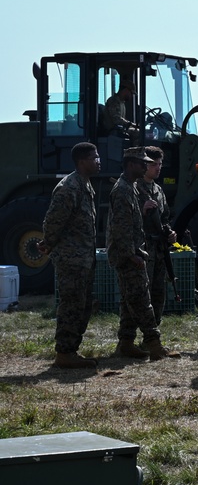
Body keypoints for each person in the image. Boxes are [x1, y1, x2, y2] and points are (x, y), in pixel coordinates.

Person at [107, 147, 180, 361]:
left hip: (143, 250)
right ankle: (154, 345)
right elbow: (121, 228)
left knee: (137, 298)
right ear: (132, 165)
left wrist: (167, 233)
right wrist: (132, 255)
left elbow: (160, 218)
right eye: (144, 164)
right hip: (131, 254)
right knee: (140, 298)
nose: (148, 167)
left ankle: (126, 343)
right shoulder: (124, 190)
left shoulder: (132, 187)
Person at [39, 142, 100, 369]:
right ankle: (64, 352)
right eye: (95, 158)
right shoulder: (69, 187)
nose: (99, 161)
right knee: (71, 304)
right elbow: (54, 221)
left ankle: (71, 350)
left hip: (83, 257)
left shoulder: (85, 185)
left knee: (82, 304)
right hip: (71, 259)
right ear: (82, 161)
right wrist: (48, 243)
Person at [136, 146, 177, 325]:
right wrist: (142, 210)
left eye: (159, 164)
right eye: (153, 164)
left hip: (159, 249)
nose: (158, 168)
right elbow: (123, 219)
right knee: (142, 294)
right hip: (143, 249)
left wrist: (170, 233)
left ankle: (155, 331)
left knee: (159, 293)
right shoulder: (134, 188)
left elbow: (165, 217)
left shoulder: (158, 190)